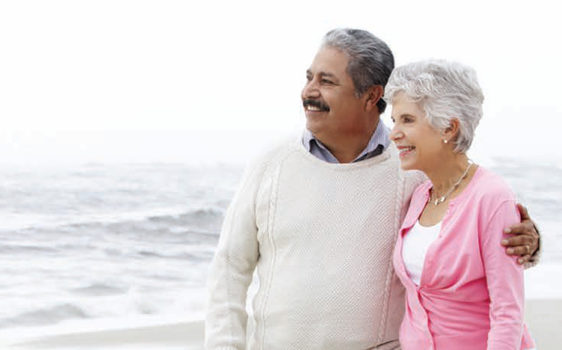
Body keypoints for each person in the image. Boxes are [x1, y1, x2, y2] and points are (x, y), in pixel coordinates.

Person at [205, 29, 539, 350]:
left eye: (326, 81)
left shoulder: (413, 168)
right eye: (309, 78)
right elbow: (230, 266)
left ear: (371, 96)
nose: (309, 91)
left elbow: (465, 205)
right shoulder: (270, 163)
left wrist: (524, 237)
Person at [387, 60, 536, 349]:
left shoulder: (492, 197)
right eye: (394, 120)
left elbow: (507, 313)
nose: (394, 132)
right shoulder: (420, 196)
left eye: (407, 120)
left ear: (449, 128)